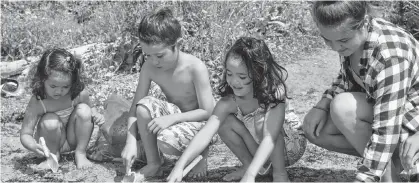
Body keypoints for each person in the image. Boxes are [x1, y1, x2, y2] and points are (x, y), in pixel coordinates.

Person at [302, 1, 419, 182]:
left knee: (344, 107)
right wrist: (322, 104)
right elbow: (349, 77)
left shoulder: (391, 56)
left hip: (412, 120)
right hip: (395, 115)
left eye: (342, 41)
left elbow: (386, 127)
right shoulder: (353, 39)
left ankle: (387, 170)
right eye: (327, 40)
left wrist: (366, 177)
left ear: (364, 23)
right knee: (318, 129)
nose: (335, 48)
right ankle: (388, 169)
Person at [167, 37, 306, 182]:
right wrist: (179, 166)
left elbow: (270, 137)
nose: (234, 81)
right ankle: (250, 166)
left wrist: (249, 177)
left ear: (259, 74)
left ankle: (279, 174)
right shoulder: (228, 102)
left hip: (289, 147)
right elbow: (206, 133)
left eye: (242, 76)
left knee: (264, 125)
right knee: (224, 122)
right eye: (229, 74)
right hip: (259, 147)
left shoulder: (274, 92)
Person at [120, 7, 216, 179]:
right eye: (148, 55)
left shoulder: (195, 67)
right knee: (144, 107)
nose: (154, 61)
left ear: (177, 44)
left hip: (202, 124)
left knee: (166, 140)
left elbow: (208, 112)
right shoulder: (149, 66)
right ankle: (154, 164)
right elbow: (136, 107)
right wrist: (131, 141)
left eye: (160, 55)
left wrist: (172, 118)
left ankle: (201, 153)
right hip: (177, 118)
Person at [20, 48, 104, 169]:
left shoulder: (77, 93)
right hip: (50, 142)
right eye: (53, 86)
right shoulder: (38, 101)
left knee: (84, 110)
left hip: (72, 139)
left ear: (73, 82)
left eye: (65, 86)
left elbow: (92, 109)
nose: (59, 91)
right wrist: (33, 145)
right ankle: (53, 156)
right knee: (50, 120)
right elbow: (25, 134)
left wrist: (96, 114)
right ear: (42, 79)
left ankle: (80, 153)